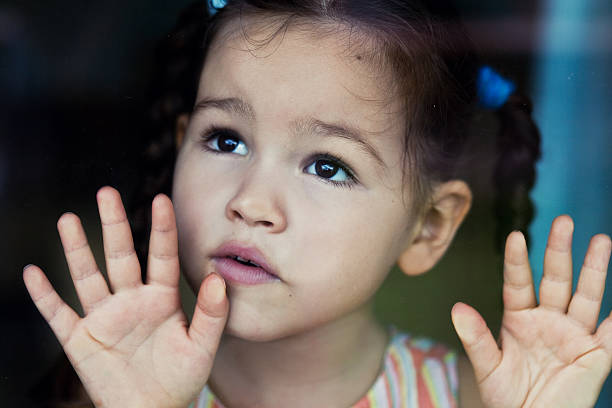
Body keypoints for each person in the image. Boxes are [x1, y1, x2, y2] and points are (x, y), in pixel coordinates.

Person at [23, 1, 612, 407]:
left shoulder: (464, 399)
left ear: (427, 228)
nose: (251, 203)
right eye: (225, 139)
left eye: (328, 167)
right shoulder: (113, 385)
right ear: (181, 147)